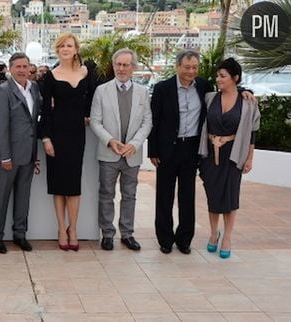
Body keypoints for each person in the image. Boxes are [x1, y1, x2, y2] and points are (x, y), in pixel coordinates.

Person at [148, 50, 254, 255]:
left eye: (194, 67)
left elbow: (228, 89)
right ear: (178, 67)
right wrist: (153, 150)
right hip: (167, 149)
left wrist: (244, 90)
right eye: (187, 67)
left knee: (187, 196)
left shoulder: (204, 87)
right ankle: (165, 240)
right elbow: (155, 121)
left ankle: (184, 239)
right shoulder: (163, 88)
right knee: (164, 196)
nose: (191, 71)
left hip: (192, 149)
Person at [90, 48, 152, 251]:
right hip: (109, 152)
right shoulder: (102, 90)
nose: (121, 68)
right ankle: (107, 233)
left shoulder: (143, 92)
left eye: (126, 65)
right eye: (118, 64)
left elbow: (147, 123)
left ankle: (127, 234)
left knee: (130, 195)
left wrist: (134, 144)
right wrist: (110, 141)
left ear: (133, 68)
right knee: (106, 194)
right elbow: (95, 122)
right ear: (113, 65)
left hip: (131, 154)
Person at [198, 58, 260, 259]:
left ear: (235, 79)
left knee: (231, 196)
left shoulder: (247, 102)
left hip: (234, 155)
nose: (218, 79)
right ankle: (213, 233)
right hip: (210, 155)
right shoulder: (210, 98)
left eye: (222, 76)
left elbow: (252, 132)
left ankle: (228, 237)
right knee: (213, 196)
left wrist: (249, 158)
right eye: (217, 75)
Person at [39, 32, 94, 251]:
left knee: (73, 186)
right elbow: (45, 112)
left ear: (76, 49)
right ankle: (62, 229)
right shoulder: (51, 77)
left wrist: (88, 114)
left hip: (77, 135)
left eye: (69, 45)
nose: (65, 49)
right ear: (57, 50)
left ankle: (74, 228)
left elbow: (92, 98)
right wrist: (45, 138)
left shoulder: (86, 73)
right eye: (61, 45)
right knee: (59, 186)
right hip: (56, 135)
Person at [0, 53, 42, 254]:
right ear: (11, 69)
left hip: (28, 154)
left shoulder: (34, 88)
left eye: (25, 66)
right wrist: (5, 156)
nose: (22, 70)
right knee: (1, 197)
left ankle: (20, 234)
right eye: (18, 66)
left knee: (23, 197)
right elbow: (0, 125)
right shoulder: (4, 91)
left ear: (30, 68)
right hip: (9, 156)